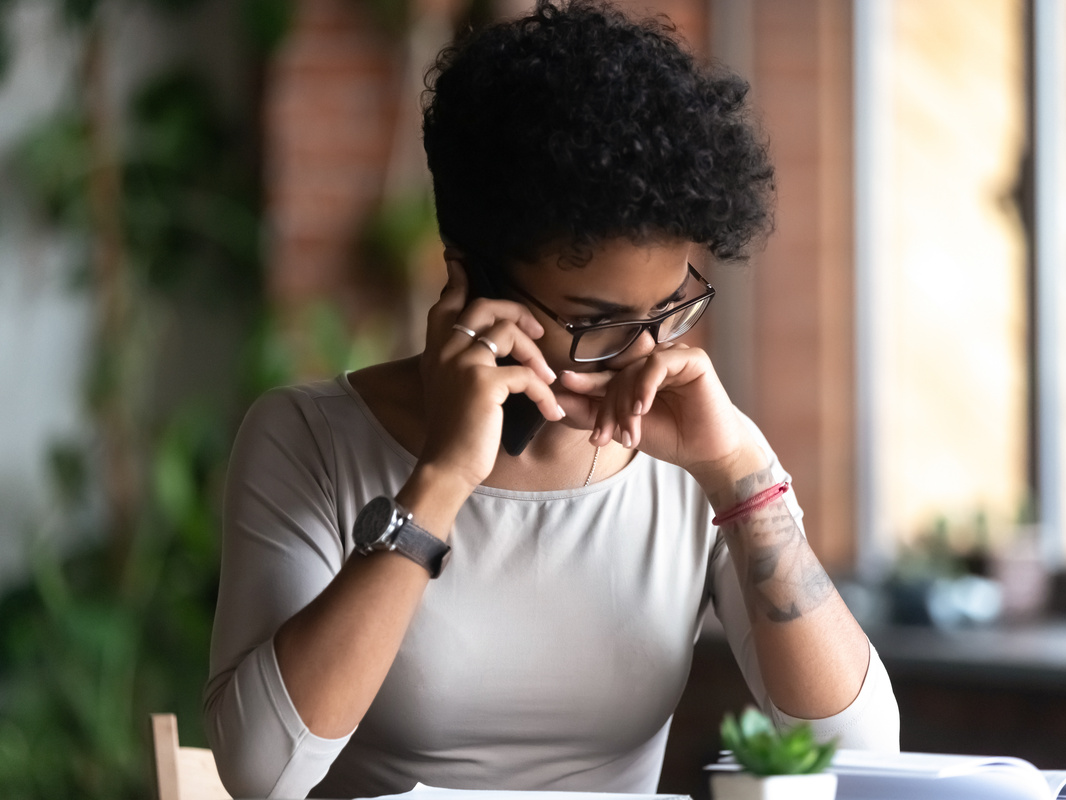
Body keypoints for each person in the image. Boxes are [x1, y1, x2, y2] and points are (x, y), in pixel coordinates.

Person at [203, 2, 900, 797]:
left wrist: (739, 474)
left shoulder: (697, 457)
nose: (641, 355)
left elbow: (860, 755)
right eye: (597, 323)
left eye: (667, 311)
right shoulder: (308, 441)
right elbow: (262, 773)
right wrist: (439, 482)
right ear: (470, 279)